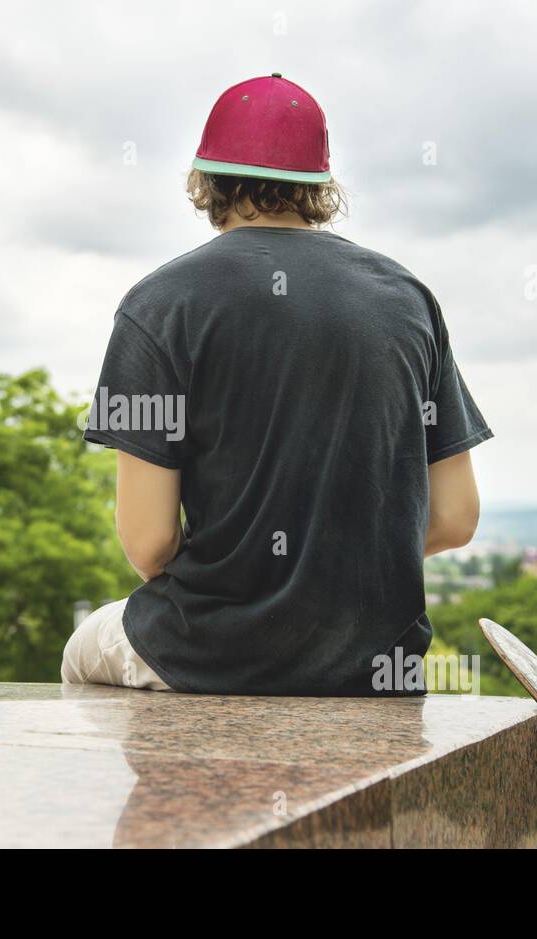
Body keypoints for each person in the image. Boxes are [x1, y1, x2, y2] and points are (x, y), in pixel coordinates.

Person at [62, 73, 491, 696]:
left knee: (82, 649)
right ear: (321, 186)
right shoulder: (408, 298)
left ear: (206, 180)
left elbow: (150, 544)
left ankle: (160, 793)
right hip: (373, 665)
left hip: (205, 650)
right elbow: (455, 518)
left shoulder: (157, 305)